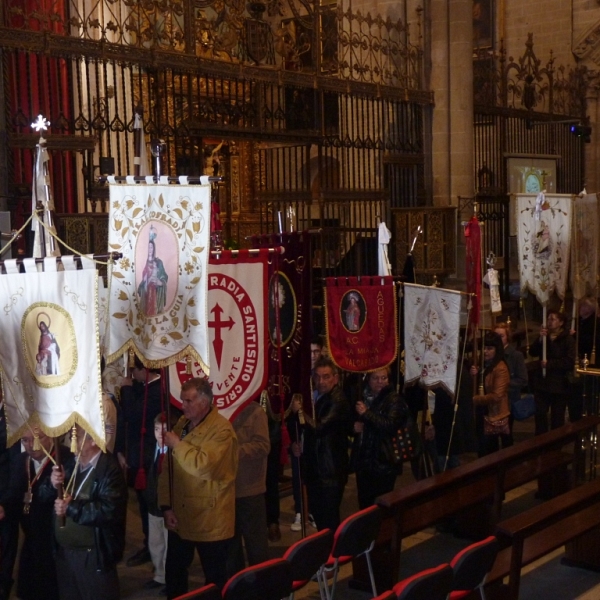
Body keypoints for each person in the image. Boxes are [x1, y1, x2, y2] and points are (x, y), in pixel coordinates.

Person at [158, 377, 238, 596]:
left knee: (214, 579)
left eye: (188, 401)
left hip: (210, 519)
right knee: (174, 572)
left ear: (204, 402)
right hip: (181, 515)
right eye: (182, 401)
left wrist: (178, 444)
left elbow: (206, 466)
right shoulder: (183, 425)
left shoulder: (221, 430)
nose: (183, 406)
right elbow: (169, 469)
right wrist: (166, 505)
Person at [49, 424, 128, 600]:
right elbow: (44, 498)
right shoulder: (70, 464)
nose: (71, 442)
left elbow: (109, 511)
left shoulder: (109, 469)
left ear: (93, 440)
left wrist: (71, 508)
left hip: (93, 556)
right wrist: (52, 484)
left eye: (76, 436)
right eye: (71, 436)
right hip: (65, 553)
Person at [6, 428, 72, 600]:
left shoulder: (63, 457)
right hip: (31, 535)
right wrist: (4, 506)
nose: (31, 445)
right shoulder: (21, 460)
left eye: (37, 439)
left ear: (50, 436)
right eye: (25, 440)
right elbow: (14, 493)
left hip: (54, 536)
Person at [119, 356, 165, 567]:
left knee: (150, 506)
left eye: (133, 370)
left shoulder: (156, 391)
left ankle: (154, 547)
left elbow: (132, 415)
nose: (131, 376)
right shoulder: (146, 386)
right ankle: (150, 543)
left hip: (148, 458)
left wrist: (126, 389)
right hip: (139, 454)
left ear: (143, 370)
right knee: (143, 504)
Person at [299, 357, 352, 532]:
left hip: (330, 471)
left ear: (335, 378)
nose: (321, 381)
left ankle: (333, 555)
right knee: (320, 516)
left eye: (326, 376)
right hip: (316, 469)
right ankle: (325, 552)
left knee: (329, 518)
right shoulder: (316, 396)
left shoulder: (337, 399)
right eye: (318, 376)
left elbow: (319, 427)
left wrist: (300, 411)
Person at [350, 367, 405, 508]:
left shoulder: (393, 399)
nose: (380, 382)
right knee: (364, 503)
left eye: (384, 378)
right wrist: (354, 427)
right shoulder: (361, 396)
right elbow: (351, 420)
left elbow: (390, 425)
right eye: (375, 378)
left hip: (383, 462)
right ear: (368, 379)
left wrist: (366, 413)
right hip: (364, 460)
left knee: (381, 505)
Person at [227, 400, 270, 576]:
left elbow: (263, 445)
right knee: (231, 545)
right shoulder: (220, 411)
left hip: (250, 488)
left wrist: (235, 451)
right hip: (227, 489)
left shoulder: (255, 412)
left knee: (256, 545)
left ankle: (262, 586)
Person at [287, 335, 323, 532]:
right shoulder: (297, 376)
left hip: (317, 437)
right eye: (309, 352)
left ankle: (313, 510)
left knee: (315, 474)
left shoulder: (324, 376)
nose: (313, 356)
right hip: (299, 434)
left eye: (316, 352)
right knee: (298, 472)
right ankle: (300, 510)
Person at [529, 310, 576, 434]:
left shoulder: (567, 339)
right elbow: (532, 352)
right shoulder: (545, 337)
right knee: (540, 414)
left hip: (558, 384)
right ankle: (540, 442)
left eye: (553, 319)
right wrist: (540, 339)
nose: (549, 322)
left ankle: (555, 445)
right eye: (548, 319)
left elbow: (569, 361)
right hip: (542, 382)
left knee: (557, 417)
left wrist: (550, 364)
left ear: (561, 322)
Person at [140, 414, 169, 592]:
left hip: (167, 508)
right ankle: (160, 575)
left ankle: (170, 577)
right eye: (157, 429)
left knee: (169, 545)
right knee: (155, 543)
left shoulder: (173, 452)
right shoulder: (152, 450)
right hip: (153, 505)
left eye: (164, 430)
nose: (160, 434)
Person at [471, 331, 511, 457]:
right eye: (484, 348)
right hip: (483, 411)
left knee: (489, 450)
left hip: (493, 412)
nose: (485, 351)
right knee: (482, 448)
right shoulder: (484, 364)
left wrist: (476, 399)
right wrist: (475, 376)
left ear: (497, 350)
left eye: (489, 348)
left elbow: (496, 395)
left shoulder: (500, 368)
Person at [495, 321, 528, 443]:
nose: (498, 339)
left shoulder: (515, 355)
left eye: (501, 336)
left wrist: (504, 385)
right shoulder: (489, 354)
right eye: (496, 336)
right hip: (493, 400)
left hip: (508, 400)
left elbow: (523, 380)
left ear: (507, 338)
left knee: (506, 434)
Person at [137, 228, 168, 317]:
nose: (149, 249)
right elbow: (142, 281)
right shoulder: (144, 262)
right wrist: (145, 280)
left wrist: (161, 282)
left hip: (156, 292)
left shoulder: (158, 262)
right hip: (146, 294)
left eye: (151, 247)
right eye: (148, 247)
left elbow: (164, 276)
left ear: (153, 248)